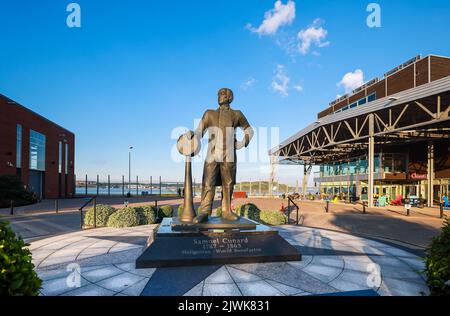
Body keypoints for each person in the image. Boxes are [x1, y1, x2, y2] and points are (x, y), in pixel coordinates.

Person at [186, 88, 254, 223]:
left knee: (228, 184)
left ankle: (227, 211)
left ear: (229, 97)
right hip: (212, 154)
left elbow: (249, 131)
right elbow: (200, 131)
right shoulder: (209, 113)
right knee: (207, 183)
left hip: (229, 155)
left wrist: (242, 143)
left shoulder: (237, 114)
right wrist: (193, 134)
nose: (219, 96)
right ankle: (205, 212)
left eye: (222, 94)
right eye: (218, 94)